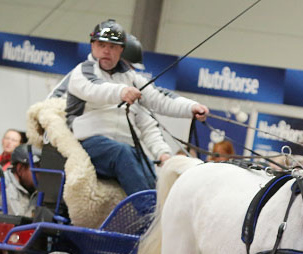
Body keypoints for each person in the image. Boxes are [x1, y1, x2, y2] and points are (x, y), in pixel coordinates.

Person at [66, 19, 208, 195]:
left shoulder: (132, 79)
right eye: (101, 44)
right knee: (123, 153)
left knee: (147, 166)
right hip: (89, 145)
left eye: (112, 46)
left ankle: (159, 212)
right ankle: (147, 213)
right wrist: (122, 91)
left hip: (124, 151)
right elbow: (94, 89)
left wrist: (191, 107)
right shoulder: (82, 72)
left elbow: (158, 98)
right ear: (92, 46)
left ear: (121, 50)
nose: (106, 51)